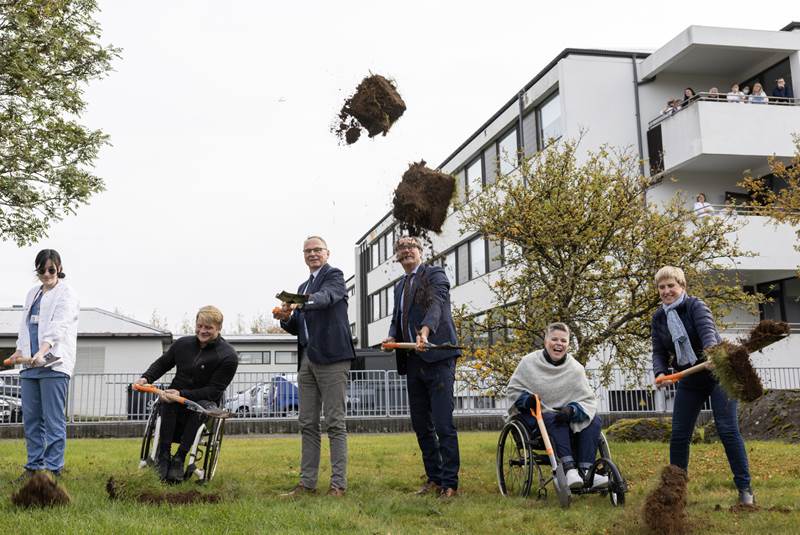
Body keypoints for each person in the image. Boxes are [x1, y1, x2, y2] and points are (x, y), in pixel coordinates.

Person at [651, 266, 754, 505]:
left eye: (671, 286)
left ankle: (745, 490)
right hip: (689, 378)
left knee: (727, 429)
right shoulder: (659, 318)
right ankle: (675, 493)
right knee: (679, 435)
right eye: (662, 287)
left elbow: (708, 331)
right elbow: (658, 351)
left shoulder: (696, 306)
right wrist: (661, 373)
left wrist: (711, 354)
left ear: (682, 286)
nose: (666, 291)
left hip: (719, 373)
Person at [273, 236, 355, 497]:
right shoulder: (302, 285)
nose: (312, 254)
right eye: (307, 251)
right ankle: (307, 484)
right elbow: (299, 325)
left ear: (327, 253)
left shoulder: (335, 276)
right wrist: (286, 318)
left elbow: (326, 298)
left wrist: (302, 301)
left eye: (317, 249)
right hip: (307, 358)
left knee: (334, 422)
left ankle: (338, 485)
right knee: (307, 422)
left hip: (332, 357)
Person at [381, 235, 461, 498]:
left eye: (410, 246)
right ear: (397, 256)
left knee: (442, 423)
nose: (406, 251)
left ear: (420, 250)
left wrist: (425, 331)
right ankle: (435, 479)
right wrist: (393, 336)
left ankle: (450, 483)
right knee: (421, 424)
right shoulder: (399, 286)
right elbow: (397, 318)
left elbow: (436, 303)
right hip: (412, 360)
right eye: (400, 248)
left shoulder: (434, 274)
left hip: (437, 357)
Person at [135, 305, 238, 483]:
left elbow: (214, 390)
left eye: (208, 328)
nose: (202, 331)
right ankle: (163, 456)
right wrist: (145, 378)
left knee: (199, 410)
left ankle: (180, 459)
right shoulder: (183, 344)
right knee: (166, 401)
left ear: (219, 328)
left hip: (204, 400)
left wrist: (182, 394)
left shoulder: (228, 356)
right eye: (200, 326)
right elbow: (162, 364)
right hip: (175, 396)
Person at [506, 323, 607, 490]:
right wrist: (527, 400)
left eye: (563, 340)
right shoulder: (528, 362)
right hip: (536, 418)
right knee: (553, 418)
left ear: (568, 344)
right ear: (546, 341)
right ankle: (568, 470)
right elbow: (513, 391)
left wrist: (572, 410)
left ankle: (586, 470)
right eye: (554, 339)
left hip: (567, 416)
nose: (558, 343)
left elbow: (587, 400)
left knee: (594, 420)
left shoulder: (575, 368)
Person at [8, 249, 79, 480]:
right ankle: (34, 467)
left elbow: (58, 327)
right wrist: (20, 350)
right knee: (31, 419)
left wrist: (42, 351)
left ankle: (52, 470)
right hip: (30, 366)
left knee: (53, 419)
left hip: (54, 364)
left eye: (51, 269)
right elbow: (25, 325)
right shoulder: (32, 294)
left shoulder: (66, 294)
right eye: (42, 269)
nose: (46, 274)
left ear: (59, 268)